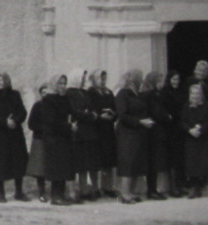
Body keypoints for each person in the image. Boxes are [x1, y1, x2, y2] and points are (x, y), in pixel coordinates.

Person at [0, 73, 30, 202]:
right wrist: (5, 122)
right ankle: (1, 193)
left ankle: (19, 192)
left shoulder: (15, 95)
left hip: (15, 134)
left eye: (1, 80)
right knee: (0, 164)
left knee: (18, 162)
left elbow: (23, 112)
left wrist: (15, 121)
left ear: (7, 81)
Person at [114, 69, 152, 204]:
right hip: (127, 133)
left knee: (137, 161)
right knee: (128, 162)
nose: (141, 81)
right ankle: (124, 193)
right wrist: (140, 121)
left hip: (139, 132)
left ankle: (132, 192)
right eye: (139, 78)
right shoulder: (123, 94)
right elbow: (122, 115)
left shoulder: (137, 94)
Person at [40, 75, 76, 205]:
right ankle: (55, 196)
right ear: (54, 84)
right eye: (60, 83)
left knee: (64, 167)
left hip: (64, 137)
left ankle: (61, 194)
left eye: (64, 83)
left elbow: (71, 113)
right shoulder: (48, 100)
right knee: (56, 168)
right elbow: (52, 121)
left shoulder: (65, 98)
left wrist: (72, 123)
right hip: (53, 138)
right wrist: (69, 126)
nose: (63, 86)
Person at [182, 83, 208, 198]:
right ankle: (195, 188)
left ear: (201, 95)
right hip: (192, 137)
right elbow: (183, 121)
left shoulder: (207, 106)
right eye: (193, 93)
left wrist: (200, 128)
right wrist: (190, 130)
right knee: (193, 164)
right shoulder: (186, 106)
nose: (195, 96)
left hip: (205, 138)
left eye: (198, 93)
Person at [65, 68, 99, 203]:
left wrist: (89, 113)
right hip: (77, 132)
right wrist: (89, 115)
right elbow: (74, 111)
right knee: (76, 163)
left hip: (88, 132)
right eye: (82, 78)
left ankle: (85, 190)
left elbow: (90, 108)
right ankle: (73, 191)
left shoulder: (84, 92)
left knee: (85, 163)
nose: (84, 80)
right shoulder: (70, 93)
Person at [88, 69, 118, 198]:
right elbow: (90, 109)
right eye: (100, 78)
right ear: (94, 79)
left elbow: (115, 108)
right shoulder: (90, 92)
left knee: (109, 159)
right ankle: (95, 187)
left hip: (108, 129)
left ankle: (108, 186)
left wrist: (113, 115)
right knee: (96, 160)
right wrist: (100, 116)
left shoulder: (109, 92)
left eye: (104, 78)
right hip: (97, 129)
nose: (103, 81)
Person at [141, 71, 171, 199]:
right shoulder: (151, 94)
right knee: (154, 161)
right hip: (154, 131)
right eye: (159, 81)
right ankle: (151, 190)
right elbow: (157, 112)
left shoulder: (152, 93)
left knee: (154, 161)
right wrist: (167, 116)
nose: (161, 84)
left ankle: (153, 189)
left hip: (153, 131)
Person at [159, 69, 187, 197]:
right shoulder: (165, 92)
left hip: (180, 128)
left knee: (181, 158)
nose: (176, 82)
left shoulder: (181, 92)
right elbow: (164, 109)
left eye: (178, 79)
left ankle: (181, 186)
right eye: (174, 79)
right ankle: (173, 188)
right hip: (170, 129)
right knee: (173, 159)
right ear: (169, 80)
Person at [25, 83, 51, 202]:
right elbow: (31, 124)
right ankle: (41, 192)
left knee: (51, 166)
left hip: (52, 140)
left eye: (47, 92)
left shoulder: (54, 105)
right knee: (40, 168)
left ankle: (54, 191)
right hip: (40, 139)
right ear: (40, 94)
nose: (45, 95)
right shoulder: (37, 106)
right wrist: (43, 128)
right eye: (43, 92)